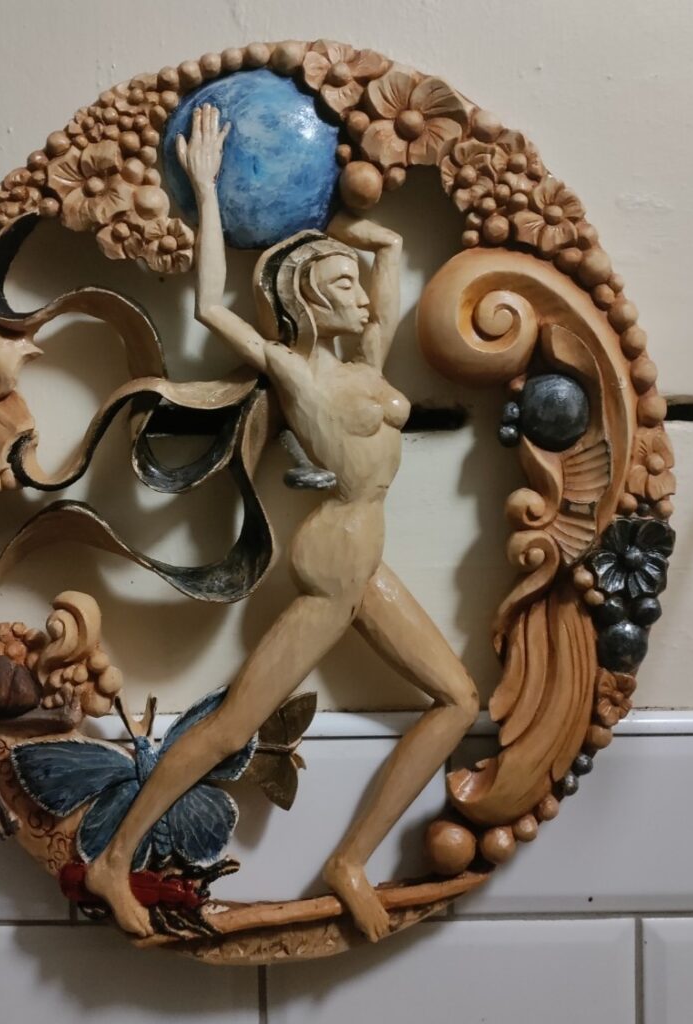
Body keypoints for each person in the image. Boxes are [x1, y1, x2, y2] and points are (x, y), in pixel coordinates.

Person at [86, 104, 479, 941]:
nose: (358, 298)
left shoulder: (366, 364)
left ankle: (348, 863)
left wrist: (342, 225)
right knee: (236, 723)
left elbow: (391, 253)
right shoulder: (298, 374)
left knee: (456, 699)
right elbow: (209, 306)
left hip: (363, 560)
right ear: (303, 302)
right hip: (332, 562)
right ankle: (114, 859)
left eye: (353, 286)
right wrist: (206, 191)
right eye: (338, 287)